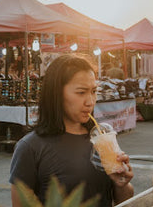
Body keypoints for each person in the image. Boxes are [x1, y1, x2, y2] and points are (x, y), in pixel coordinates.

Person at [9, 54, 134, 206]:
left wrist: (122, 184)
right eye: (81, 92)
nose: (90, 102)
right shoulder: (30, 147)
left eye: (94, 91)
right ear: (57, 94)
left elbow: (123, 200)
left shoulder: (100, 137)